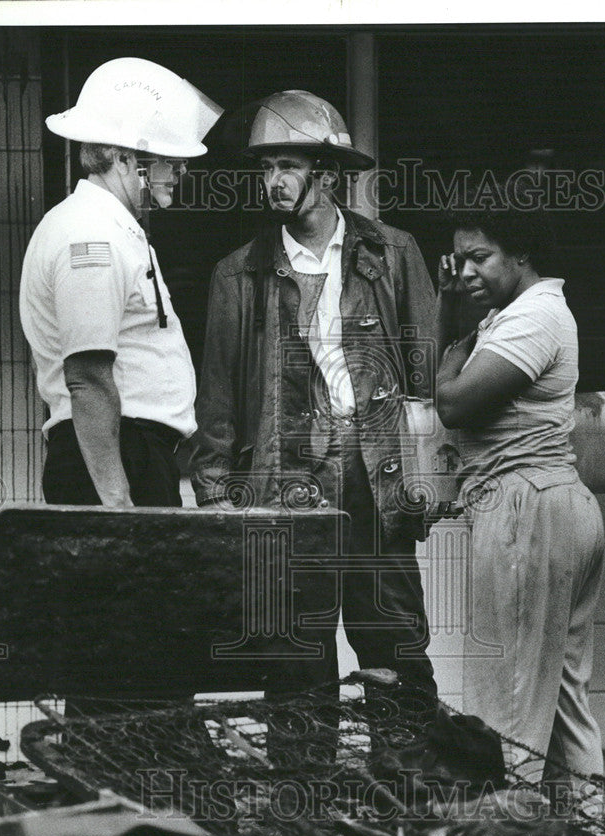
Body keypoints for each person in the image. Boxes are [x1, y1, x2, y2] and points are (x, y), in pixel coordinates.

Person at [190, 90, 438, 727]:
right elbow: (217, 401)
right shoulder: (237, 273)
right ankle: (304, 809)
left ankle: (407, 807)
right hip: (284, 483)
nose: (272, 181)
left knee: (396, 647)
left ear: (326, 177)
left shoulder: (394, 254)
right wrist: (216, 499)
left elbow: (424, 381)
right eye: (266, 167)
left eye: (288, 167)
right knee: (295, 664)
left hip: (374, 477)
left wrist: (428, 481)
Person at [435, 205, 605, 798]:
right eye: (458, 260)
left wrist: (450, 350)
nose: (464, 273)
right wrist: (458, 324)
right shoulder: (515, 314)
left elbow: (454, 405)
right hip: (553, 504)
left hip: (523, 507)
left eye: (479, 258)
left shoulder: (533, 317)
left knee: (505, 708)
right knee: (560, 700)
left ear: (521, 255)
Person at [20, 57, 222, 507]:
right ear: (125, 158)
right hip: (116, 456)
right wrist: (117, 505)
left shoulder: (110, 226)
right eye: (170, 160)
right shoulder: (93, 233)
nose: (181, 172)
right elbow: (88, 377)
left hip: (128, 451)